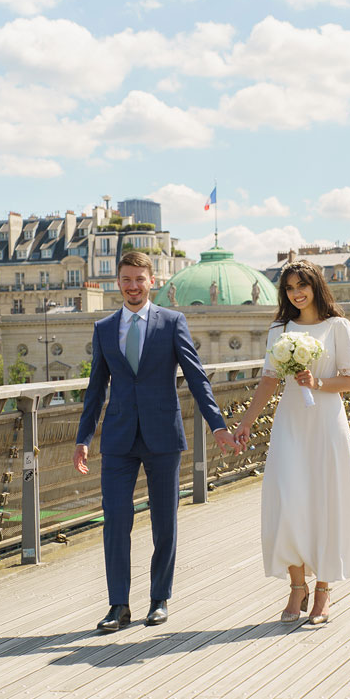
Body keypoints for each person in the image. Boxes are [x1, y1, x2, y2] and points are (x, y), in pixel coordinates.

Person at [74, 251, 239, 632]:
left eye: (139, 279)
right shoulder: (103, 328)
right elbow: (95, 389)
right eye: (126, 279)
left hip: (163, 436)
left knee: (164, 520)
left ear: (153, 281)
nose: (133, 286)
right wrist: (83, 437)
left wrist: (217, 426)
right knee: (116, 519)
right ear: (118, 282)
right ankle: (118, 605)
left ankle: (159, 599)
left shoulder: (172, 322)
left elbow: (197, 379)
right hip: (117, 439)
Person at [234, 260, 350, 625]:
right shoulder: (280, 329)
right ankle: (296, 586)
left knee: (324, 500)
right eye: (289, 287)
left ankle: (323, 591)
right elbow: (269, 381)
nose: (296, 292)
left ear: (315, 285)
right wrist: (245, 424)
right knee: (288, 500)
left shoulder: (339, 326)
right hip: (290, 423)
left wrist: (317, 383)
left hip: (326, 423)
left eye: (302, 284)